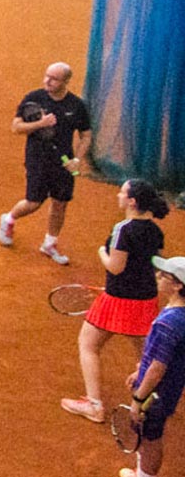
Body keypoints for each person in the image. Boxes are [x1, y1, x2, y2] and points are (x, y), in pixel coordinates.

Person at [62, 181, 170, 423]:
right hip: (145, 301)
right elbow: (148, 266)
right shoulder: (155, 231)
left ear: (132, 201)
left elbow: (116, 267)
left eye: (123, 192)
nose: (118, 195)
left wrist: (101, 251)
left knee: (88, 345)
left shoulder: (123, 229)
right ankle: (148, 401)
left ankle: (94, 405)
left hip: (118, 300)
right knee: (147, 354)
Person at [102, 256, 185, 477]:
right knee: (147, 433)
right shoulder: (177, 314)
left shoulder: (168, 323)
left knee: (150, 436)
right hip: (166, 388)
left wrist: (139, 397)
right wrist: (140, 368)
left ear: (178, 286)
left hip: (156, 394)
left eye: (165, 277)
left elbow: (159, 367)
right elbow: (164, 355)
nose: (159, 277)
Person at [0, 61, 94, 264]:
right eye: (46, 76)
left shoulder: (76, 106)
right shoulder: (34, 98)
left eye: (54, 78)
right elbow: (16, 127)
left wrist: (76, 159)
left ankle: (49, 243)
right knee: (34, 202)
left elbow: (86, 135)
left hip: (64, 161)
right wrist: (41, 124)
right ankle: (9, 218)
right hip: (37, 158)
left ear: (66, 81)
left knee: (60, 203)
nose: (47, 81)